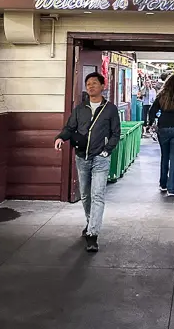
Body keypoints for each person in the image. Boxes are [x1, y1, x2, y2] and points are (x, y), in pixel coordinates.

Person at [54, 72, 120, 253]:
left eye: (94, 83)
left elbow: (116, 133)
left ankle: (93, 234)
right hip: (82, 157)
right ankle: (90, 221)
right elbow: (70, 127)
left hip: (100, 157)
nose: (90, 86)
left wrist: (107, 151)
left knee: (97, 195)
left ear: (102, 86)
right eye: (88, 84)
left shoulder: (110, 109)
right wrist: (61, 137)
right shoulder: (80, 109)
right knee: (85, 195)